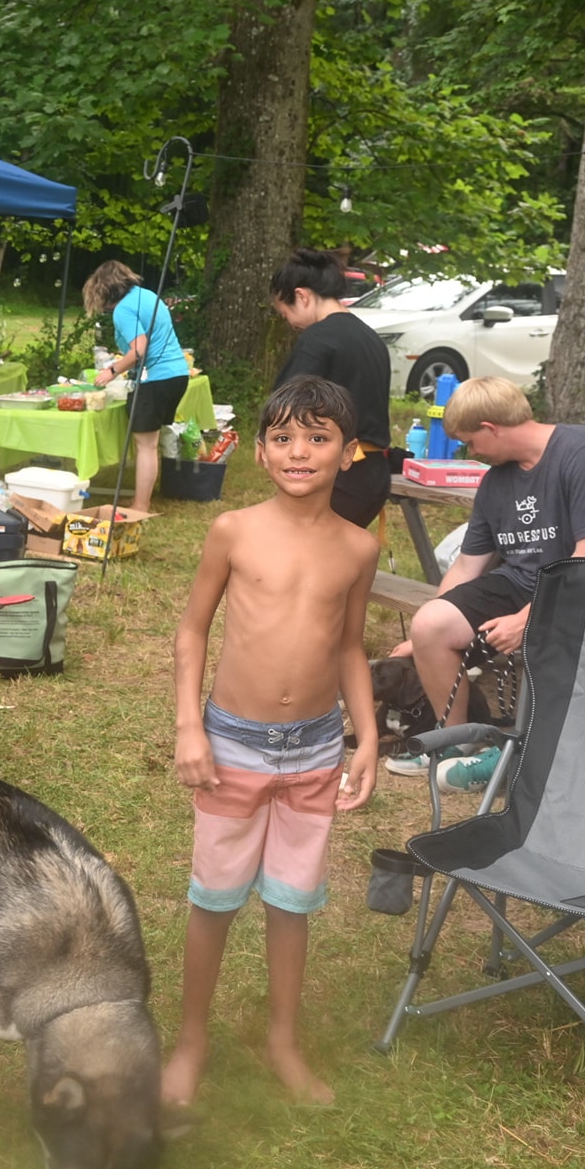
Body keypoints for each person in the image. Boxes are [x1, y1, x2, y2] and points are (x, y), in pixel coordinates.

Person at [162, 376, 379, 1109]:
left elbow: (350, 647)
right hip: (232, 745)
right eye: (284, 437)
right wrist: (190, 726)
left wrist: (367, 737)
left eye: (318, 438)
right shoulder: (233, 532)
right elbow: (192, 630)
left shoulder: (358, 547)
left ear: (347, 453)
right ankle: (191, 1041)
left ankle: (282, 1039)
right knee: (215, 897)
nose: (299, 452)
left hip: (315, 749)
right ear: (259, 451)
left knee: (292, 900)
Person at [385, 376, 585, 791]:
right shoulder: (496, 482)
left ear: (490, 428)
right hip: (523, 583)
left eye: (471, 443)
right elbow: (468, 566)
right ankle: (457, 741)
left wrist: (530, 617)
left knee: (548, 635)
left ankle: (520, 756)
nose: (473, 453)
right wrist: (420, 636)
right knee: (432, 623)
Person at [270, 249, 393, 526]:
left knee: (301, 559)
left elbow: (284, 407)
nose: (289, 322)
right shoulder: (369, 337)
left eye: (285, 312)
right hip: (372, 474)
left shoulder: (318, 338)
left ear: (302, 296)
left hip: (339, 476)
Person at [86, 261, 191, 510]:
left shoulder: (122, 310)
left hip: (155, 377)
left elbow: (139, 350)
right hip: (177, 374)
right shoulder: (148, 295)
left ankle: (140, 505)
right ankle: (141, 498)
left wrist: (110, 371)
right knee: (150, 442)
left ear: (105, 290)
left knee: (146, 445)